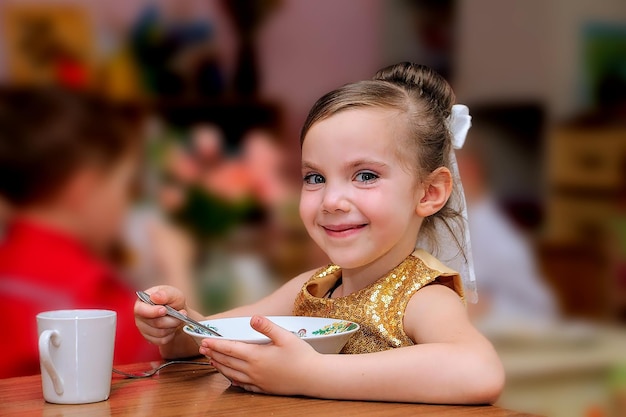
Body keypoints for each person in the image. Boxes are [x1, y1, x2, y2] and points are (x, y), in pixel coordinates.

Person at [134, 63, 504, 404]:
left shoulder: (422, 297)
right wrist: (179, 329)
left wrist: (310, 374)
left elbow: (479, 371)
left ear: (429, 193)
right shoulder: (313, 287)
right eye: (315, 178)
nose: (332, 200)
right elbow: (222, 335)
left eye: (365, 175)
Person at [0, 87, 159, 378]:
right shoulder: (96, 297)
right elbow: (165, 386)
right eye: (124, 188)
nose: (125, 205)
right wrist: (175, 272)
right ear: (83, 188)